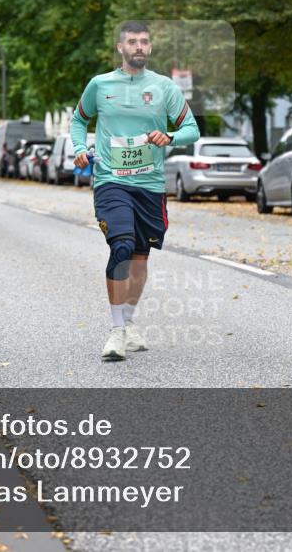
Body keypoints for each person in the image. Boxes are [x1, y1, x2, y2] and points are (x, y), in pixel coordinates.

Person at [70, 21, 200, 360]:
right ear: (120, 48)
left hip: (150, 184)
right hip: (111, 180)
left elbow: (191, 129)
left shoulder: (165, 87)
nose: (139, 46)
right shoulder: (99, 85)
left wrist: (169, 136)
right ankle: (116, 331)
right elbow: (78, 120)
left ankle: (128, 321)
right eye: (132, 42)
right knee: (122, 245)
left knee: (141, 256)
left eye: (144, 41)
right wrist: (78, 147)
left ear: (150, 48)